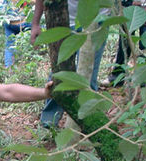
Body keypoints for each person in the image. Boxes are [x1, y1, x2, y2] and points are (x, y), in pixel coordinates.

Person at [31, 0, 108, 128]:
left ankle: (87, 124)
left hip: (98, 20)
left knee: (88, 76)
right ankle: (48, 122)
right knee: (59, 73)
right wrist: (35, 24)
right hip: (65, 21)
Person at [0, 0, 32, 67]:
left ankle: (9, 68)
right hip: (22, 21)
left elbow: (1, 10)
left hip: (9, 22)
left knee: (9, 45)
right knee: (42, 26)